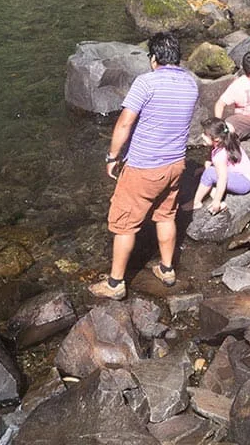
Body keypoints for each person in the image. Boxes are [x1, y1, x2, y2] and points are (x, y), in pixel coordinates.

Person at [91, 31, 199, 299]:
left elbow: (125, 122)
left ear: (154, 58)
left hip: (144, 166)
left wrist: (112, 157)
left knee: (124, 224)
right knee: (165, 214)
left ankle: (115, 284)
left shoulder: (146, 83)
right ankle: (167, 269)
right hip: (175, 164)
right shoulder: (191, 83)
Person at [192, 118, 250, 214]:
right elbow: (210, 155)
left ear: (216, 139)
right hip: (243, 177)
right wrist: (204, 168)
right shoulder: (228, 137)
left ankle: (197, 203)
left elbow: (222, 178)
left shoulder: (220, 156)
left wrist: (216, 202)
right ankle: (222, 202)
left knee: (209, 174)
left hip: (243, 182)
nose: (202, 135)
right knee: (209, 174)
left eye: (205, 134)